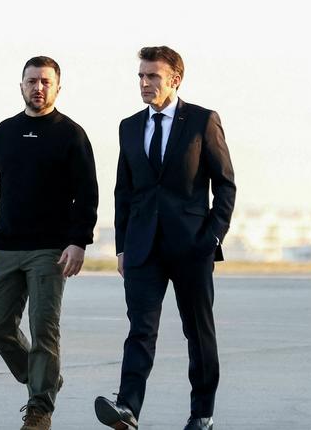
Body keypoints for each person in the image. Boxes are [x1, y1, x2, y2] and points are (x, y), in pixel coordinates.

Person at [0, 56, 98, 430]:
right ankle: (43, 379)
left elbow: (87, 195)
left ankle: (40, 408)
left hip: (50, 251)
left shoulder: (71, 135)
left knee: (44, 329)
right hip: (7, 248)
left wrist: (78, 242)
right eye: (32, 81)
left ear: (58, 87)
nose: (38, 87)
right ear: (21, 86)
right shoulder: (5, 132)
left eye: (46, 81)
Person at [94, 46, 235, 430]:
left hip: (192, 246)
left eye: (152, 76)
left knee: (198, 332)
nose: (144, 83)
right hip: (142, 248)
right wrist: (122, 246)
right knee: (140, 330)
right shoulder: (129, 126)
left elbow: (225, 185)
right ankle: (127, 409)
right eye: (141, 75)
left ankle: (201, 414)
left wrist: (212, 238)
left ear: (175, 79)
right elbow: (124, 191)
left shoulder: (203, 121)